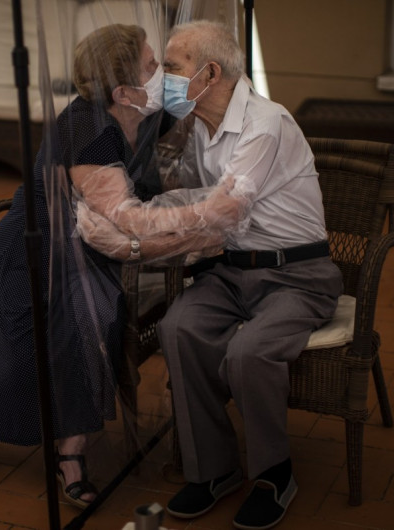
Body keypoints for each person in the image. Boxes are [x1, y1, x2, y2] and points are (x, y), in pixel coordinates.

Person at [0, 23, 247, 509]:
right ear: (122, 90)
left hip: (88, 252)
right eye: (153, 66)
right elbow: (129, 219)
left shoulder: (141, 113)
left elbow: (198, 94)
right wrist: (207, 215)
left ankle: (71, 452)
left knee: (92, 327)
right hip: (32, 253)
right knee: (30, 345)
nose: (162, 74)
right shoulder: (88, 133)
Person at [154, 20, 343, 530]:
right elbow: (189, 197)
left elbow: (221, 209)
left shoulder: (267, 122)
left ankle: (275, 473)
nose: (163, 77)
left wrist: (140, 236)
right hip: (232, 273)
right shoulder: (198, 125)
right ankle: (214, 470)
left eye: (172, 68)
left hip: (297, 275)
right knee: (177, 329)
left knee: (249, 351)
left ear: (209, 73)